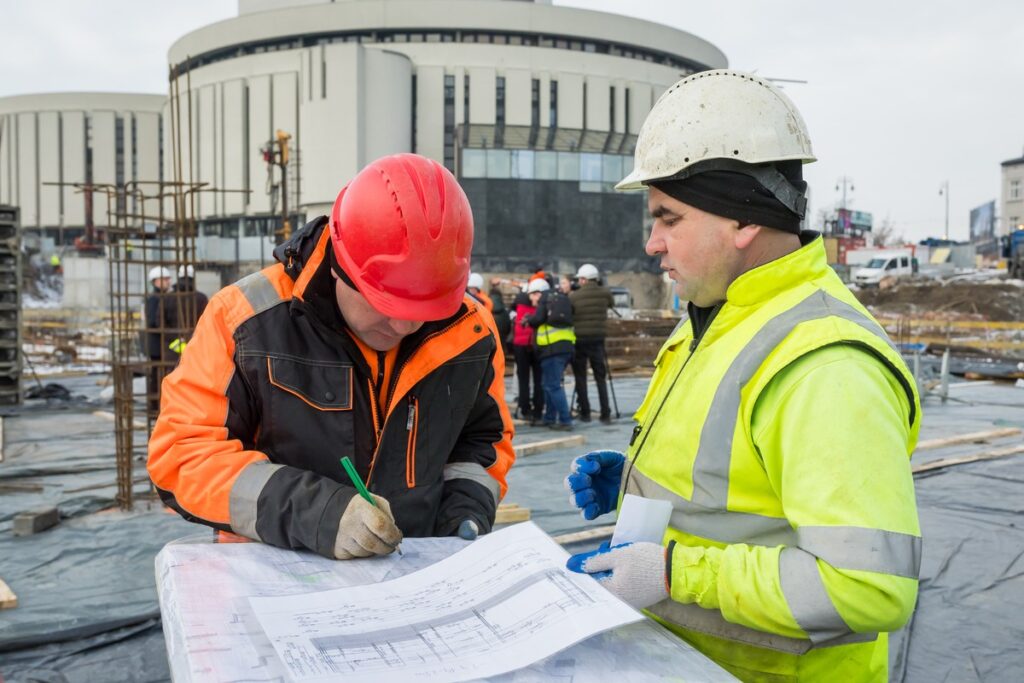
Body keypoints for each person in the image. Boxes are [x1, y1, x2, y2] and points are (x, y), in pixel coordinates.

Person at [564, 70, 921, 682]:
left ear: (741, 219)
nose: (653, 243)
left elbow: (866, 587)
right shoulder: (717, 317)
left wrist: (675, 572)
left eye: (668, 218)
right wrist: (639, 486)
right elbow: (741, 485)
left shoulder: (824, 365)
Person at [149, 153, 515, 561]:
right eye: (384, 304)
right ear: (341, 265)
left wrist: (464, 511)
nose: (402, 328)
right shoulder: (247, 320)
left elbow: (483, 441)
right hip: (277, 576)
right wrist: (316, 513)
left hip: (413, 575)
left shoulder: (470, 331)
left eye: (421, 310)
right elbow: (183, 456)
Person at [524, 277, 575, 430]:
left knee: (552, 386)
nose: (532, 298)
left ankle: (566, 420)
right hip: (566, 347)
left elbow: (538, 319)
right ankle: (549, 418)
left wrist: (528, 320)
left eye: (533, 294)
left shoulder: (545, 299)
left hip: (552, 350)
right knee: (548, 385)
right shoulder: (560, 298)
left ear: (539, 292)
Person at [568, 263, 615, 424]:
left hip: (580, 340)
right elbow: (611, 304)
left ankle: (585, 413)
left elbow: (571, 314)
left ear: (583, 279)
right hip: (598, 339)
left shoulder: (574, 296)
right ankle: (605, 413)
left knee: (580, 377)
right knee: (600, 377)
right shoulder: (605, 293)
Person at [512, 277, 545, 424]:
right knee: (538, 379)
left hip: (520, 345)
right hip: (534, 345)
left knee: (523, 379)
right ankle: (537, 410)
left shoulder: (519, 304)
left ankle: (524, 409)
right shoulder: (542, 307)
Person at [143, 266, 173, 414]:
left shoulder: (161, 298)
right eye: (165, 279)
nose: (168, 282)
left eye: (168, 279)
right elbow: (154, 322)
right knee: (156, 376)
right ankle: (155, 405)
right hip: (157, 344)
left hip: (159, 344)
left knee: (159, 375)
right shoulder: (154, 299)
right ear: (155, 282)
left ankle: (157, 404)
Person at [166, 264, 210, 356]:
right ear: (193, 278)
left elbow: (160, 322)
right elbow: (206, 323)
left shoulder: (168, 297)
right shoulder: (201, 298)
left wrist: (175, 339)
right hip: (195, 347)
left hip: (172, 348)